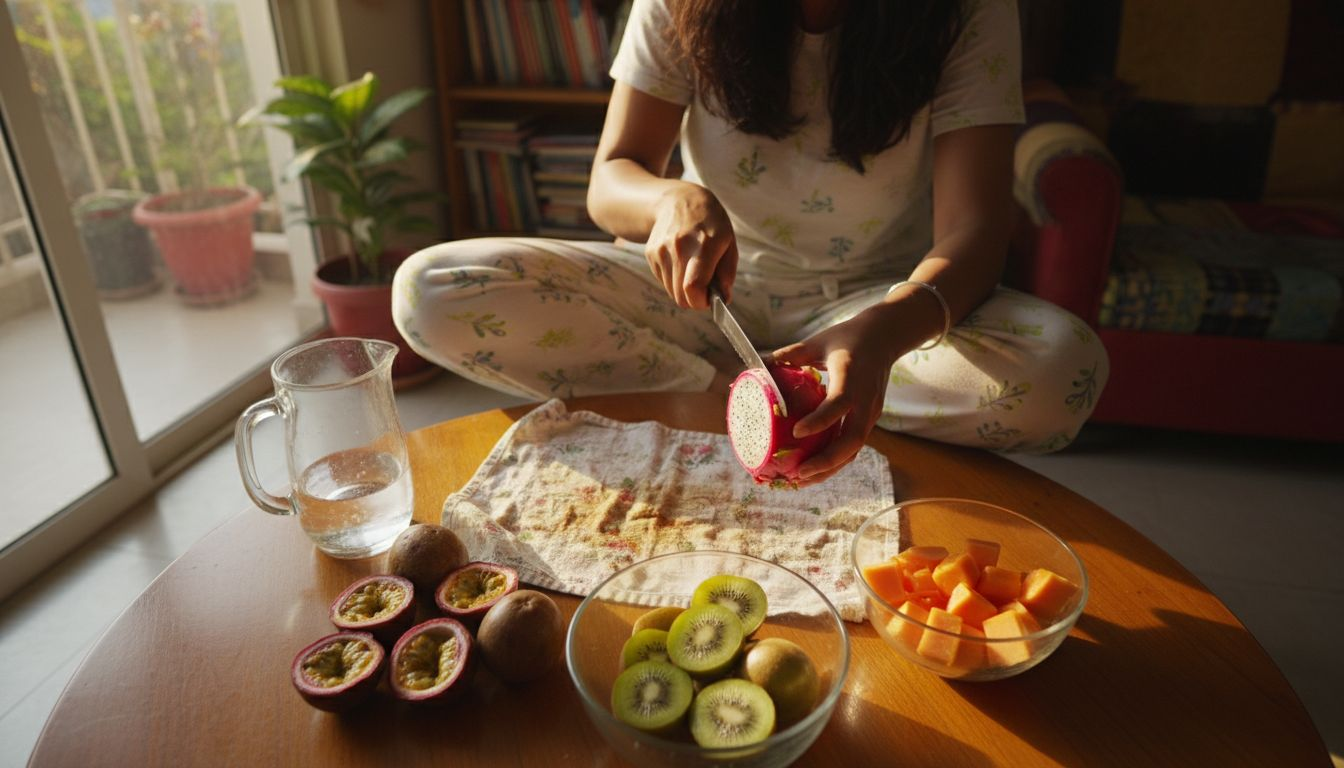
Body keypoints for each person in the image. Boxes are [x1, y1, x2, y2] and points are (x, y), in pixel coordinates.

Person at [393, 0, 1109, 485]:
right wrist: (670, 197)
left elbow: (975, 233)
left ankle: (761, 405)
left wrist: (881, 337)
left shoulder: (968, 7)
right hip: (707, 299)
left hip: (873, 306)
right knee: (428, 291)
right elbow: (611, 182)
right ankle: (733, 401)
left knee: (1060, 370)